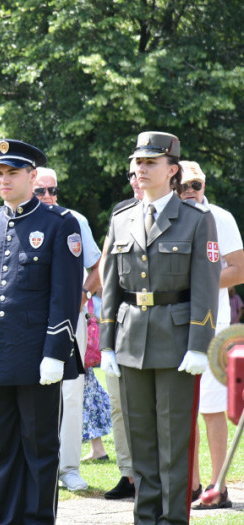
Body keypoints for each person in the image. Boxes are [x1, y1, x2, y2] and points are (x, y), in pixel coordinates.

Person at [0, 139, 83, 524]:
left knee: (40, 451)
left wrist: (54, 352)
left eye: (12, 172)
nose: (4, 180)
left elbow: (65, 295)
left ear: (32, 176)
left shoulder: (60, 223)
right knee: (3, 454)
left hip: (36, 358)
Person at [100, 132, 220, 524]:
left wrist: (199, 345)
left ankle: (172, 520)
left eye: (150, 163)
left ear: (172, 170)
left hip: (176, 342)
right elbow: (110, 287)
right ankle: (145, 518)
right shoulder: (122, 218)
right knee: (141, 443)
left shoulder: (197, 220)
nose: (141, 169)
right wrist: (107, 345)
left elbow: (205, 289)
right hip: (131, 339)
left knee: (173, 444)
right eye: (138, 163)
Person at [177, 160, 244, 509]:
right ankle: (190, 486)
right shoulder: (165, 218)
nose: (189, 192)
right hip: (172, 327)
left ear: (205, 185)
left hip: (212, 327)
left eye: (196, 185)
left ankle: (218, 488)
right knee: (179, 410)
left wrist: (197, 283)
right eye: (183, 186)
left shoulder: (221, 217)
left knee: (212, 410)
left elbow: (239, 270)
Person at [32, 167, 102, 491]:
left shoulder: (74, 220)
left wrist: (83, 295)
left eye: (53, 190)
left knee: (71, 394)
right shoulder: (13, 220)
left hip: (69, 321)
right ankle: (32, 467)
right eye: (40, 191)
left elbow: (100, 266)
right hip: (27, 321)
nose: (48, 197)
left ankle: (69, 468)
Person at [102, 161, 144, 501]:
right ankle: (127, 473)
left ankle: (153, 477)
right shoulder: (121, 213)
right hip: (121, 325)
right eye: (131, 173)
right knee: (118, 405)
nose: (136, 180)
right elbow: (107, 271)